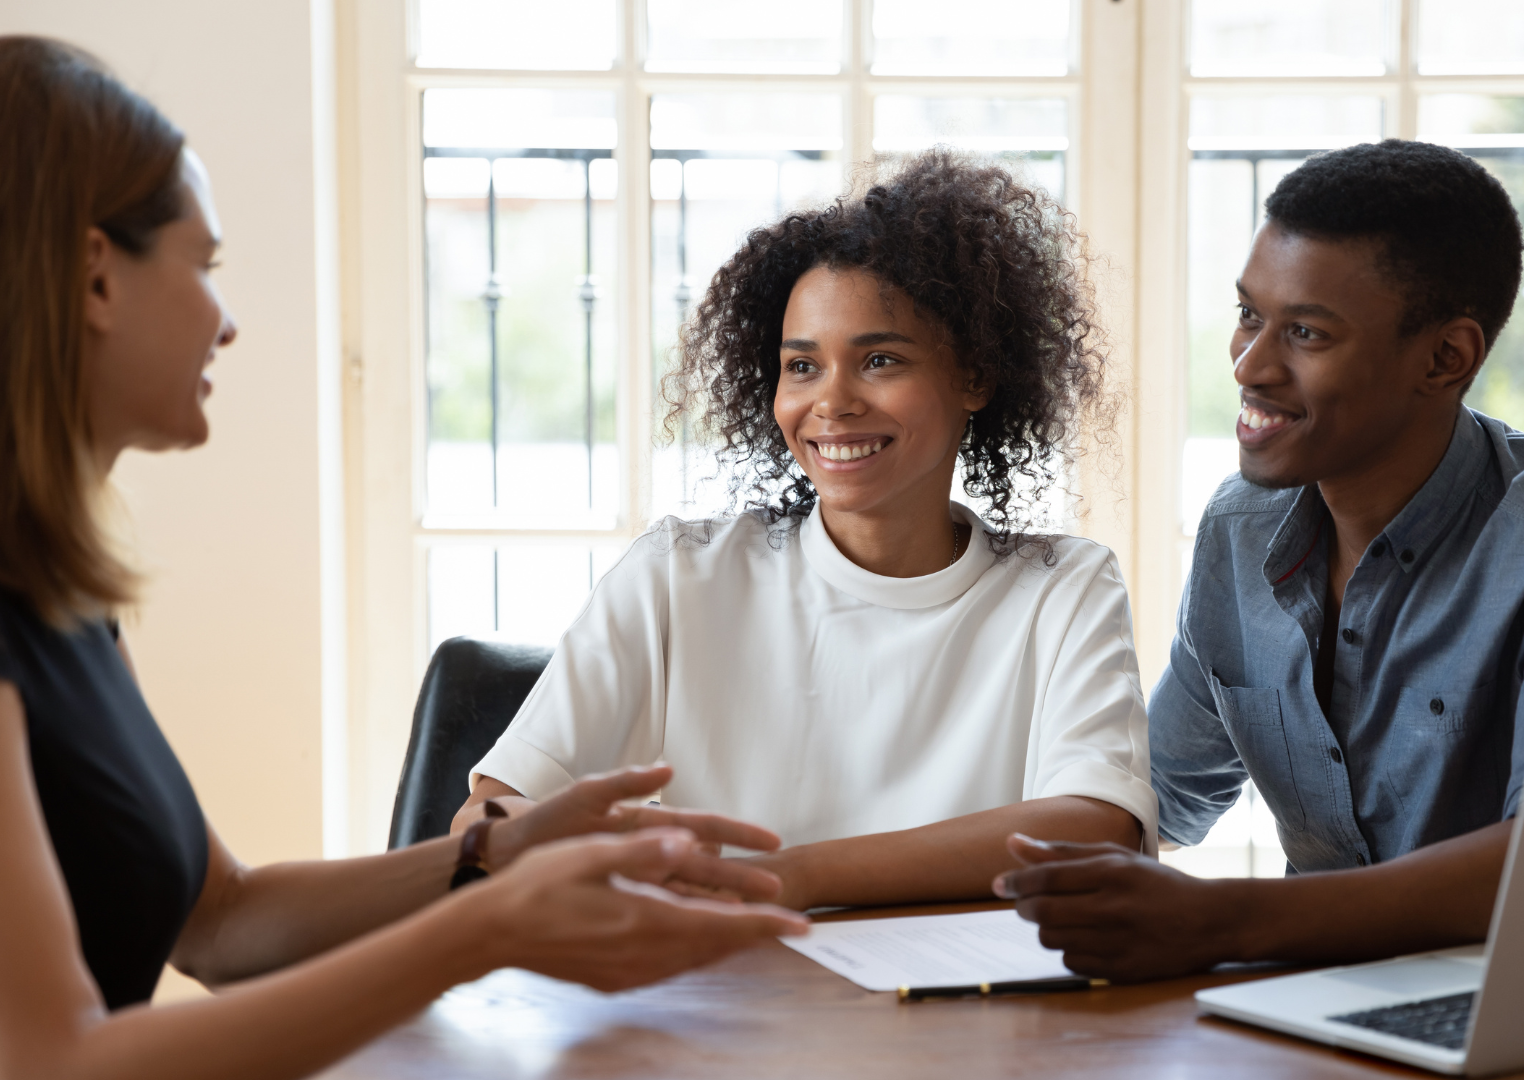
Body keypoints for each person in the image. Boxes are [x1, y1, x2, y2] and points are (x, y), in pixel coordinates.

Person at [0, 36, 807, 1080]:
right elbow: (36, 1062)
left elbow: (221, 924)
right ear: (96, 277)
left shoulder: (45, 592)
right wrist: (488, 931)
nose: (224, 323)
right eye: (204, 266)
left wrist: (489, 859)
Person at [994, 139, 1524, 980]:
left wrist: (1225, 921)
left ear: (1446, 358)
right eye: (1250, 315)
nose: (1249, 366)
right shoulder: (1242, 526)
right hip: (1310, 1005)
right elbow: (1157, 792)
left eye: (1305, 334)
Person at [457, 150, 1154, 910]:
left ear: (976, 378)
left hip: (966, 1013)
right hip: (734, 994)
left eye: (880, 360)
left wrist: (783, 876)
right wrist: (566, 844)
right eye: (801, 366)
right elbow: (492, 812)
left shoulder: (1064, 589)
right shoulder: (679, 575)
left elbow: (1096, 826)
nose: (832, 403)